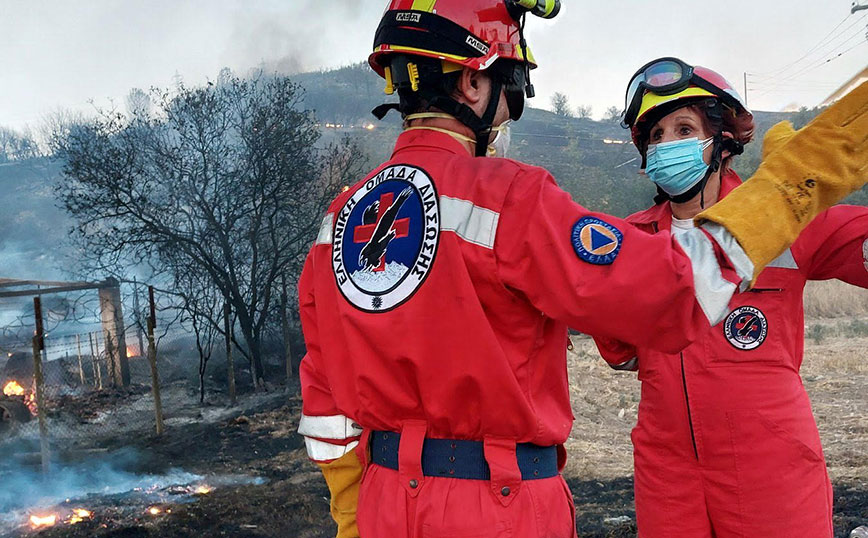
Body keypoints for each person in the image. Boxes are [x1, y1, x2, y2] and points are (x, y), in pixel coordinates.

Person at [296, 2, 868, 536]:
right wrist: (792, 185)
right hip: (497, 502)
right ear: (472, 81)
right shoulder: (511, 200)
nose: (510, 104)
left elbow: (324, 400)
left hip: (383, 500)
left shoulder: (338, 221)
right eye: (509, 84)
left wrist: (356, 510)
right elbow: (672, 295)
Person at [594, 56, 868, 537]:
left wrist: (814, 188)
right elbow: (620, 353)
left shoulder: (782, 210)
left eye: (683, 128)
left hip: (773, 462)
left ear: (722, 141)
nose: (665, 147)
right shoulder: (626, 240)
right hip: (667, 471)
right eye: (655, 137)